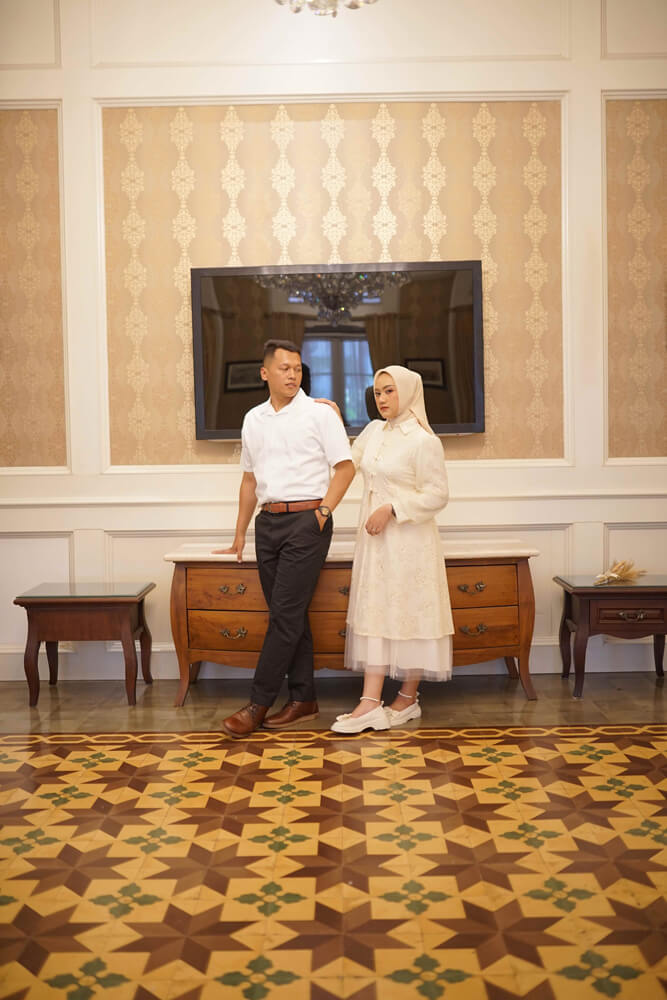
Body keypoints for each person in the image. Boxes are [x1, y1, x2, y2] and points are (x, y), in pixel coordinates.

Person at [220, 339, 355, 738]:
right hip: (267, 524)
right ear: (265, 373)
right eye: (284, 368)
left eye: (297, 368)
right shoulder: (253, 419)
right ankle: (304, 699)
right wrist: (240, 532)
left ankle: (257, 704)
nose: (293, 375)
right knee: (290, 615)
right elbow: (249, 480)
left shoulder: (320, 414)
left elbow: (345, 468)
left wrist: (322, 514)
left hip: (307, 523)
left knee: (283, 616)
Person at [330, 365, 454, 734]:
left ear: (408, 392)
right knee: (377, 612)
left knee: (410, 612)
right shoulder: (373, 431)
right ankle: (370, 702)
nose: (382, 399)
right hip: (376, 545)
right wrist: (331, 418)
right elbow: (347, 461)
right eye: (377, 392)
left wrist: (392, 509)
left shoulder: (424, 441)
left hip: (410, 543)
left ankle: (407, 698)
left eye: (389, 391)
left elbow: (438, 494)